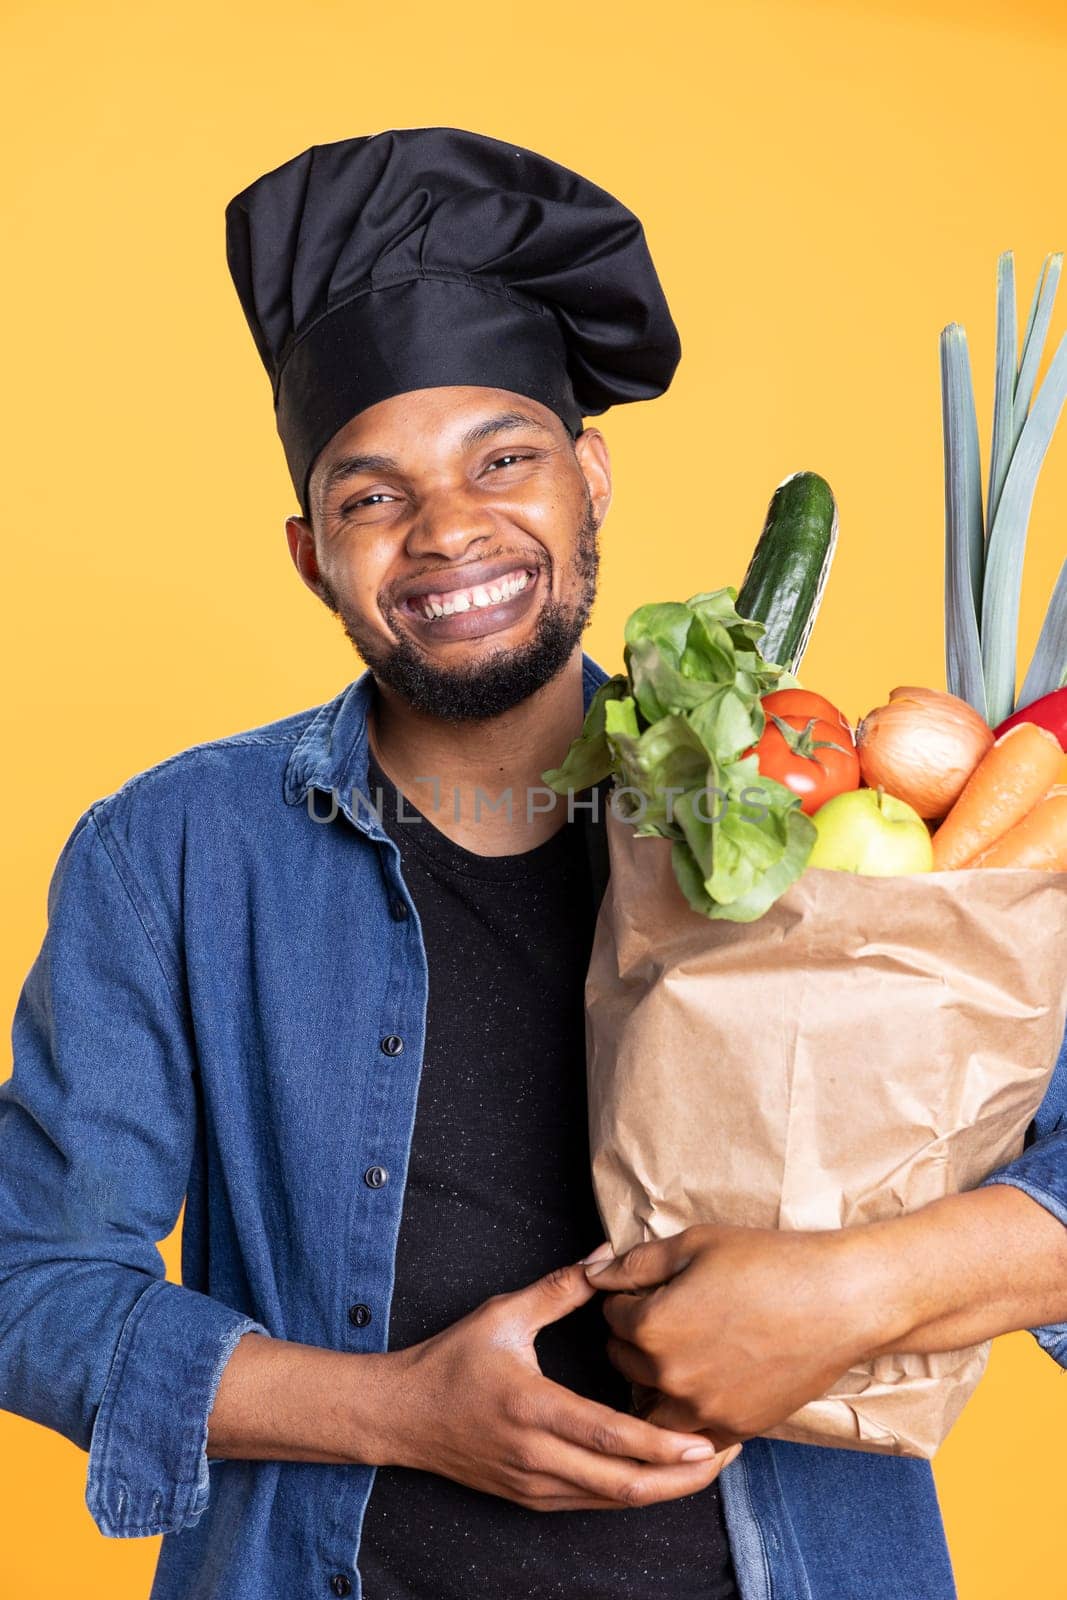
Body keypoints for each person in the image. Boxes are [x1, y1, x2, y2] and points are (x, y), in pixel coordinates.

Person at [2, 127, 1066, 1600]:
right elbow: (31, 1284)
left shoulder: (819, 815)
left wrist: (852, 1290)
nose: (449, 531)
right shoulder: (171, 857)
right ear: (313, 554)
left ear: (591, 481)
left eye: (503, 459)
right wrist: (399, 1417)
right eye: (373, 496)